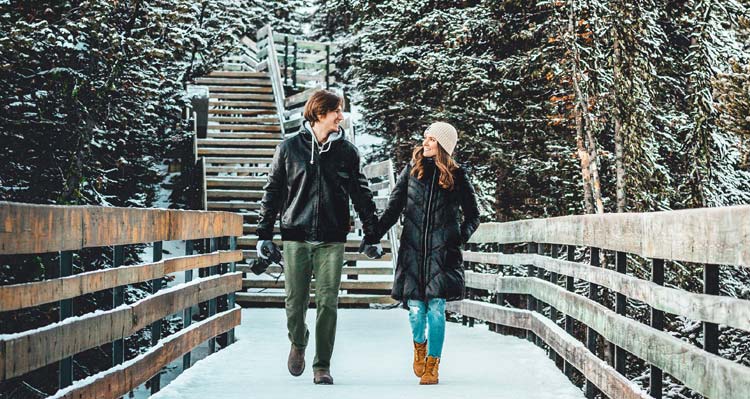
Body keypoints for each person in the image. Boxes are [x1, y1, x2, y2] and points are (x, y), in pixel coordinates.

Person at [256, 90, 382, 385]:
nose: (341, 116)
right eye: (337, 111)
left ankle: (321, 365)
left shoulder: (347, 152)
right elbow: (272, 192)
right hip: (295, 236)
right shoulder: (289, 149)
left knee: (328, 302)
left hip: (332, 238)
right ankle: (298, 343)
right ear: (319, 113)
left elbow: (361, 194)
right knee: (294, 301)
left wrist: (372, 233)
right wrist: (264, 234)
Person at [368, 121, 480, 385]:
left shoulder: (457, 176)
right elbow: (394, 209)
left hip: (443, 254)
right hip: (413, 252)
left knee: (437, 308)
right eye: (425, 138)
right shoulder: (412, 171)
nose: (425, 143)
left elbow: (474, 215)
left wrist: (458, 238)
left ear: (443, 146)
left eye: (431, 139)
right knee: (416, 310)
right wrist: (373, 234)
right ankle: (420, 346)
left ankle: (433, 364)